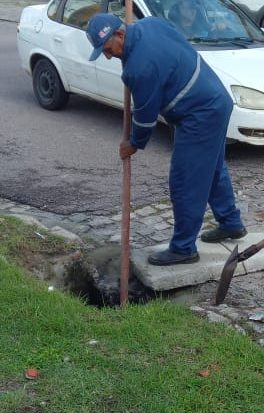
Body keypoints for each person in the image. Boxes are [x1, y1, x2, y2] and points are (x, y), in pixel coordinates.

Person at [86, 13, 246, 266]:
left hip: (200, 114)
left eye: (107, 49)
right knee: (212, 168)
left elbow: (145, 118)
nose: (107, 56)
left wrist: (133, 144)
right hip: (214, 99)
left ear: (120, 34)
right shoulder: (150, 24)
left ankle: (183, 248)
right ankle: (230, 223)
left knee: (185, 180)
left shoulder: (139, 68)